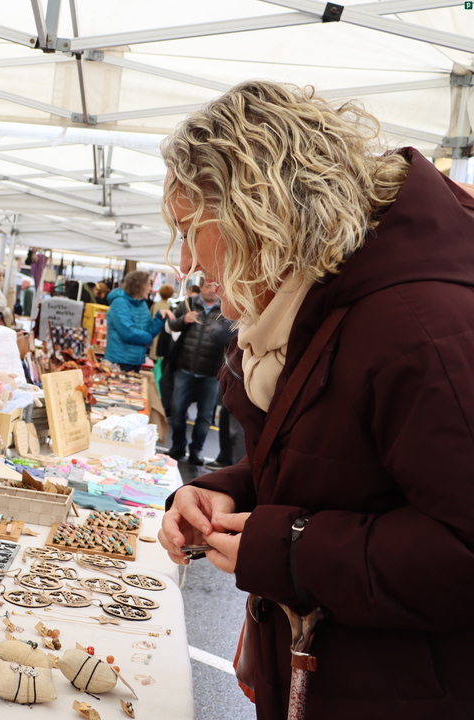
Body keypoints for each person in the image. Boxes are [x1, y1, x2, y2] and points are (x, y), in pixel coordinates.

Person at [157, 80, 474, 719]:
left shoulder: (417, 325)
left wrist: (287, 549)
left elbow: (462, 546)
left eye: (190, 229)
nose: (187, 261)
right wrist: (229, 490)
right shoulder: (317, 306)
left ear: (257, 210)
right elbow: (342, 465)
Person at [163, 280, 235, 465]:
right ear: (201, 287)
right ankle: (178, 446)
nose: (212, 290)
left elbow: (232, 336)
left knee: (204, 416)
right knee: (177, 411)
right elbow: (171, 326)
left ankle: (196, 451)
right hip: (184, 368)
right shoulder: (187, 304)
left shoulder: (226, 308)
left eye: (216, 287)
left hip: (211, 373)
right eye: (208, 286)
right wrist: (183, 320)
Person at [103, 270, 173, 372]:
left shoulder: (142, 304)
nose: (150, 288)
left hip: (136, 361)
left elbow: (149, 330)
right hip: (119, 361)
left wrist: (159, 318)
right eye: (148, 284)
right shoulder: (119, 302)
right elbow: (128, 333)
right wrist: (148, 339)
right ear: (139, 286)